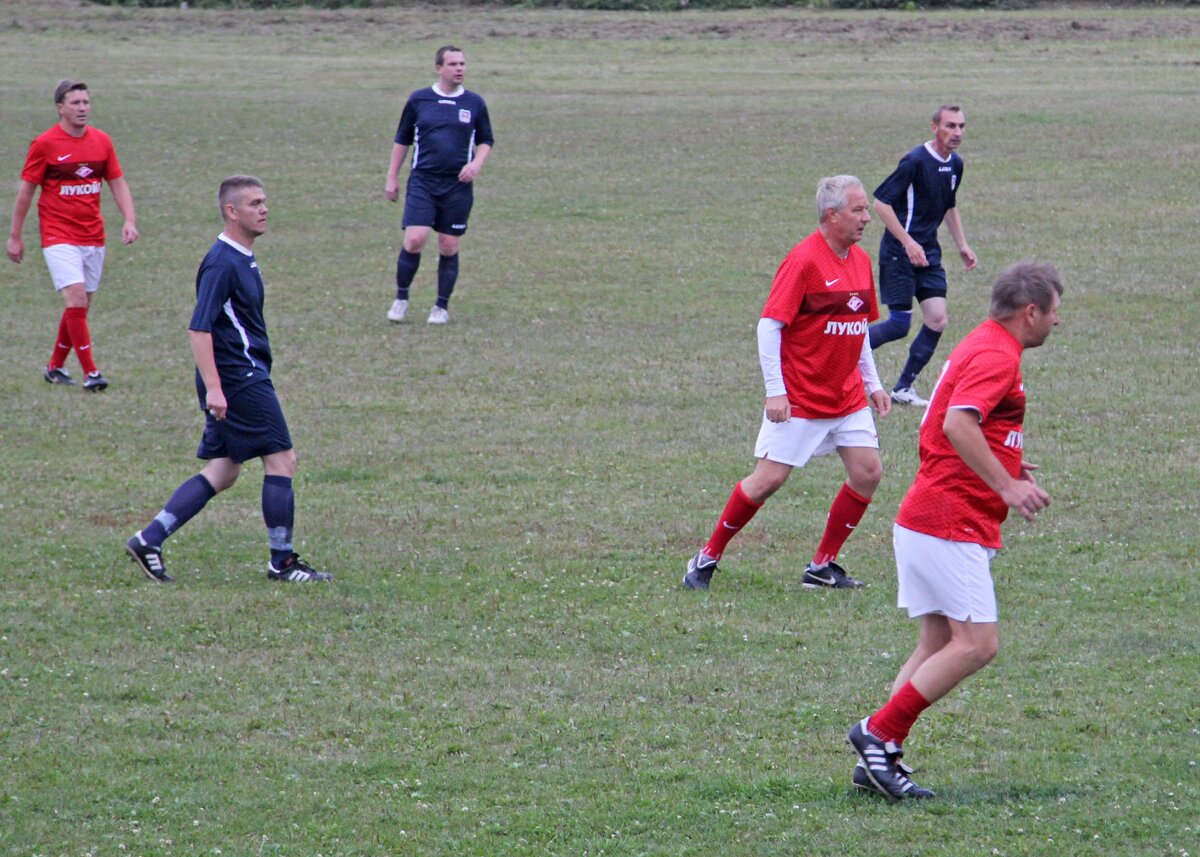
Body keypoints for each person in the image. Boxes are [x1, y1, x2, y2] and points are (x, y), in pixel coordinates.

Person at [847, 261, 1063, 800]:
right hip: (949, 521)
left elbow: (950, 421)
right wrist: (1006, 486)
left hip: (928, 517)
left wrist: (1008, 460)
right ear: (1030, 311)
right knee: (976, 644)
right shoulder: (996, 354)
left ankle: (881, 760)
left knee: (938, 642)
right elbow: (956, 423)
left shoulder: (983, 342)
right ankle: (878, 734)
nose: (1057, 323)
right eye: (1054, 312)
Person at [683, 175, 892, 592]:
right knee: (768, 481)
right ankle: (706, 557)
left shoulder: (861, 261)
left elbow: (859, 329)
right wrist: (776, 390)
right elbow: (769, 326)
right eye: (858, 210)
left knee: (868, 472)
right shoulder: (803, 261)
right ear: (831, 215)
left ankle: (821, 567)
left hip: (846, 395)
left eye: (867, 209)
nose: (867, 217)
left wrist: (874, 383)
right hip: (802, 396)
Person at [125, 176, 331, 584]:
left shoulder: (242, 256)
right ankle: (283, 562)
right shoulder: (222, 262)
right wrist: (216, 388)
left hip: (238, 374)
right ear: (231, 212)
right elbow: (198, 329)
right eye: (255, 203)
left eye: (265, 201)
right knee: (282, 460)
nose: (264, 209)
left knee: (224, 470)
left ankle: (149, 539)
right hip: (239, 378)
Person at [7, 79, 139, 391]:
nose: (82, 108)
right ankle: (91, 372)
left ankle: (54, 367)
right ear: (60, 108)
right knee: (76, 299)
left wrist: (129, 219)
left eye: (86, 102)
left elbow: (117, 182)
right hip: (57, 234)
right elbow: (26, 192)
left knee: (79, 308)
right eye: (75, 103)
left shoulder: (102, 142)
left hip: (93, 235)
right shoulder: (44, 144)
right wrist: (15, 235)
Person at [868, 105, 977, 407]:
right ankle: (847, 347)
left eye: (961, 126)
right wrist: (907, 243)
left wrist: (962, 245)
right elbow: (881, 204)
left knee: (938, 319)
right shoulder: (915, 161)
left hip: (928, 253)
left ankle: (903, 388)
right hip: (899, 254)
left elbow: (949, 206)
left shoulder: (955, 164)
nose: (957, 133)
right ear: (934, 127)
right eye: (950, 126)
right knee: (899, 324)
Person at [384, 45, 494, 325]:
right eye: (454, 64)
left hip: (457, 185)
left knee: (448, 244)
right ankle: (401, 299)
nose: (460, 69)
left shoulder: (474, 103)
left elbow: (486, 140)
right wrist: (392, 177)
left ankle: (441, 307)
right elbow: (402, 139)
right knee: (415, 239)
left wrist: (476, 164)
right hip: (423, 180)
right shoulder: (419, 100)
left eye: (463, 64)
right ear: (439, 68)